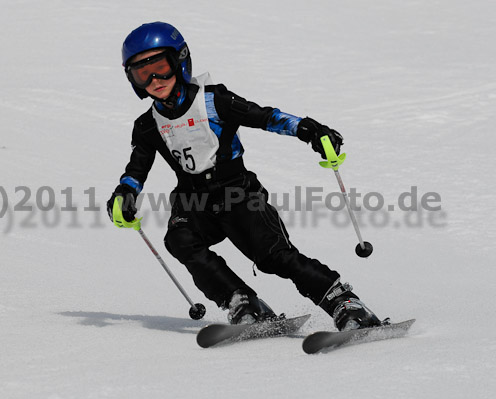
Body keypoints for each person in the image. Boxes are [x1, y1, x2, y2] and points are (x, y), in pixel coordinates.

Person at [107, 21, 382, 331]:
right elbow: (136, 168)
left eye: (161, 67)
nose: (155, 79)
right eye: (142, 73)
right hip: (192, 199)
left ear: (180, 61)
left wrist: (310, 131)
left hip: (237, 192)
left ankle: (344, 303)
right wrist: (124, 193)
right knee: (180, 239)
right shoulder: (147, 124)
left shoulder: (214, 101)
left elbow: (265, 117)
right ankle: (242, 302)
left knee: (273, 257)